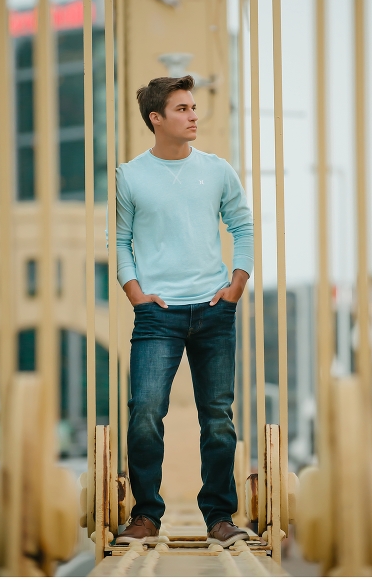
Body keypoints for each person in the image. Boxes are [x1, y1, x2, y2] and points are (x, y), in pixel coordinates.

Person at [114, 75, 253, 548]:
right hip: (157, 315)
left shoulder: (216, 170)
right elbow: (120, 240)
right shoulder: (130, 175)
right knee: (145, 413)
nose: (193, 116)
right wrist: (135, 292)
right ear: (156, 119)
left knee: (218, 417)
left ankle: (219, 517)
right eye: (182, 109)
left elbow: (244, 225)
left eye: (194, 107)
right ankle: (147, 515)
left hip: (214, 309)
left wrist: (237, 283)